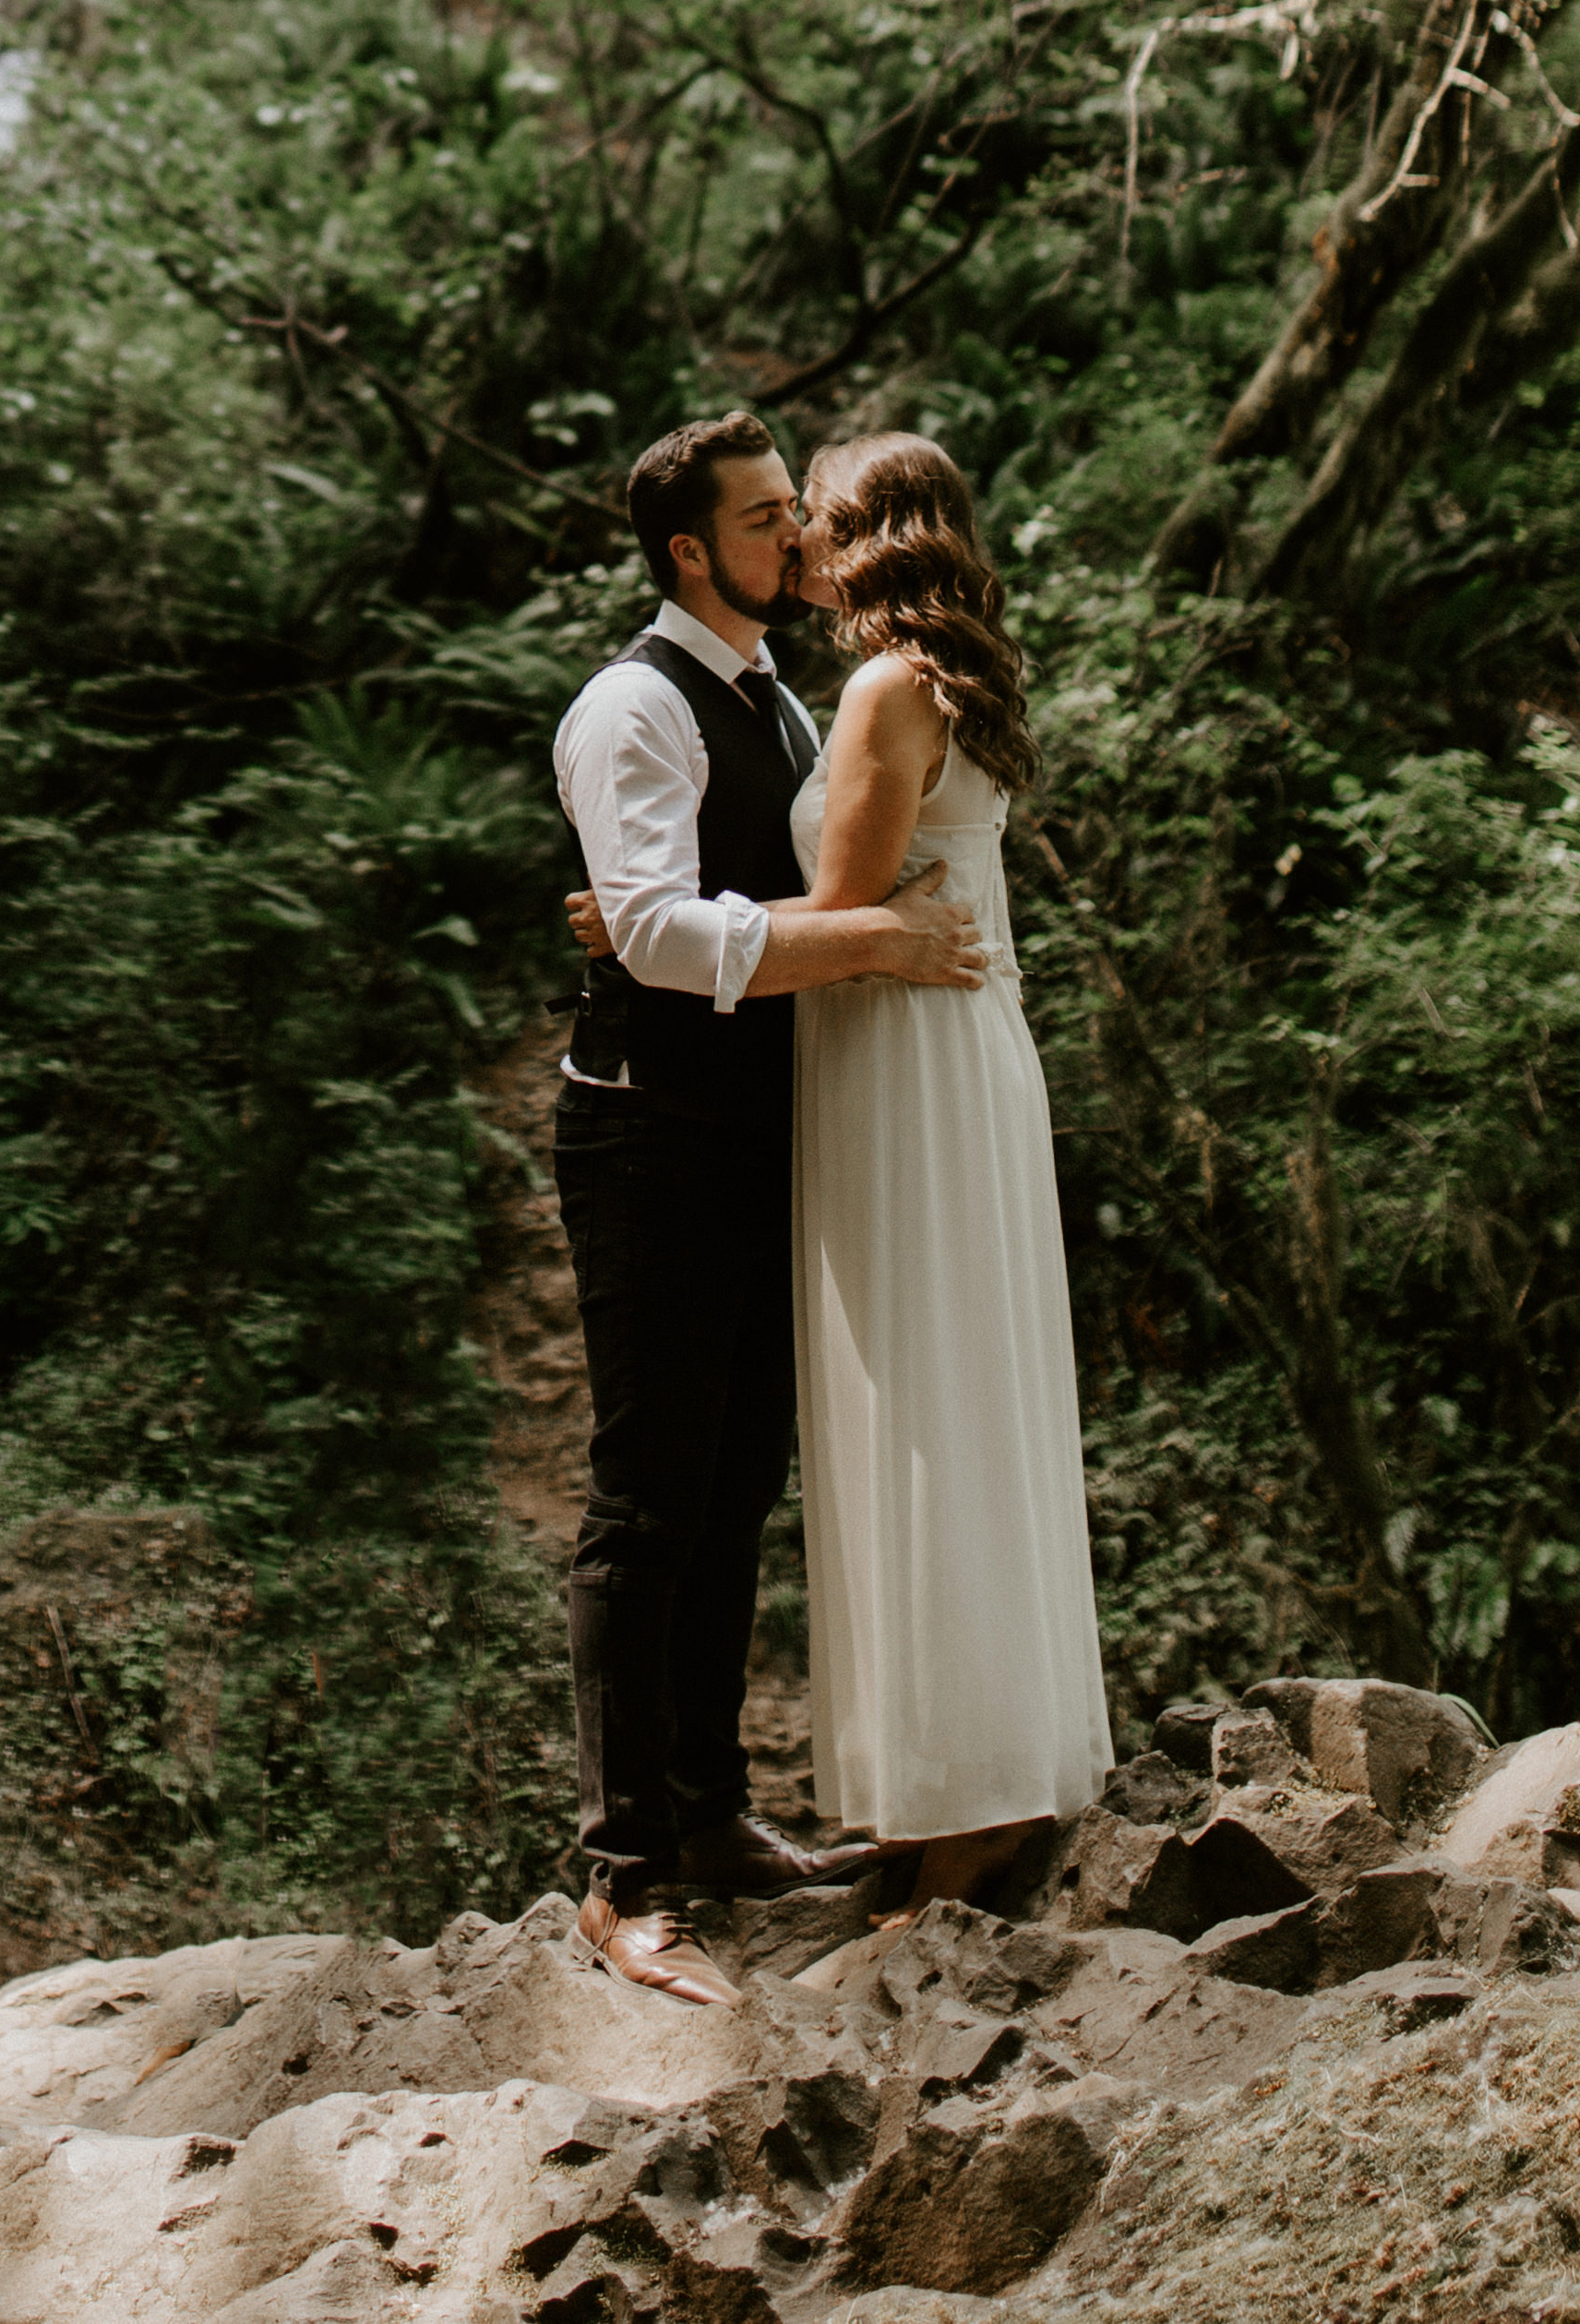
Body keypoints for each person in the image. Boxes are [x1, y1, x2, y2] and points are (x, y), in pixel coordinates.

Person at [551, 410, 993, 2007]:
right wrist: (870, 939)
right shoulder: (629, 703)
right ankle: (622, 1875)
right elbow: (669, 936)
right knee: (644, 1498)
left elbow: (723, 895)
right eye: (763, 520)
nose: (798, 540)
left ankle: (714, 1810)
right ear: (690, 551)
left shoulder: (786, 700)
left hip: (759, 1132)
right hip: (645, 1133)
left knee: (736, 1480)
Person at [781, 432, 1113, 1898]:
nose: (791, 541)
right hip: (957, 1051)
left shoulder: (877, 687)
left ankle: (961, 1801)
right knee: (959, 1392)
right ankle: (959, 1781)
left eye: (810, 520)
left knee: (913, 1400)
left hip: (897, 1057)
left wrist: (650, 922)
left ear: (864, 536)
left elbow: (839, 908)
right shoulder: (961, 678)